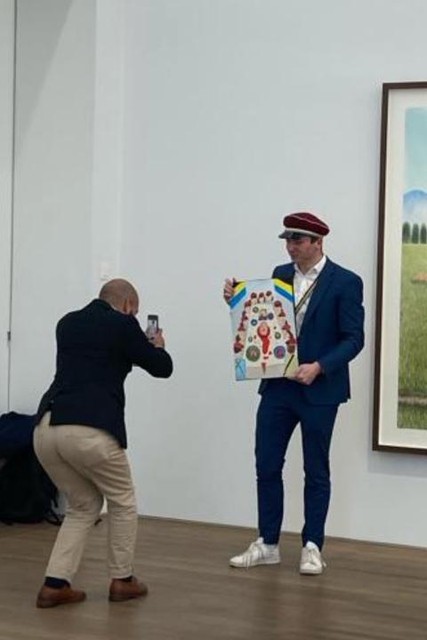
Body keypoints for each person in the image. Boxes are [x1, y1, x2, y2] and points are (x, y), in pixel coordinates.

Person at [223, 212, 364, 574]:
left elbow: (354, 338)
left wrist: (319, 366)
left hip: (321, 390)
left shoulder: (346, 282)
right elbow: (266, 320)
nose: (290, 247)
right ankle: (267, 542)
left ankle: (313, 545)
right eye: (287, 240)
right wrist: (237, 302)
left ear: (318, 242)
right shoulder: (279, 275)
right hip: (278, 387)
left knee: (316, 470)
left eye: (298, 240)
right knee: (266, 464)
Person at [33, 278, 173, 607]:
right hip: (89, 430)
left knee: (82, 505)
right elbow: (162, 368)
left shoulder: (66, 323)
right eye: (134, 311)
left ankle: (55, 584)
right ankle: (122, 580)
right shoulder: (124, 325)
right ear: (126, 306)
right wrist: (157, 345)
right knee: (123, 501)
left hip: (46, 428)